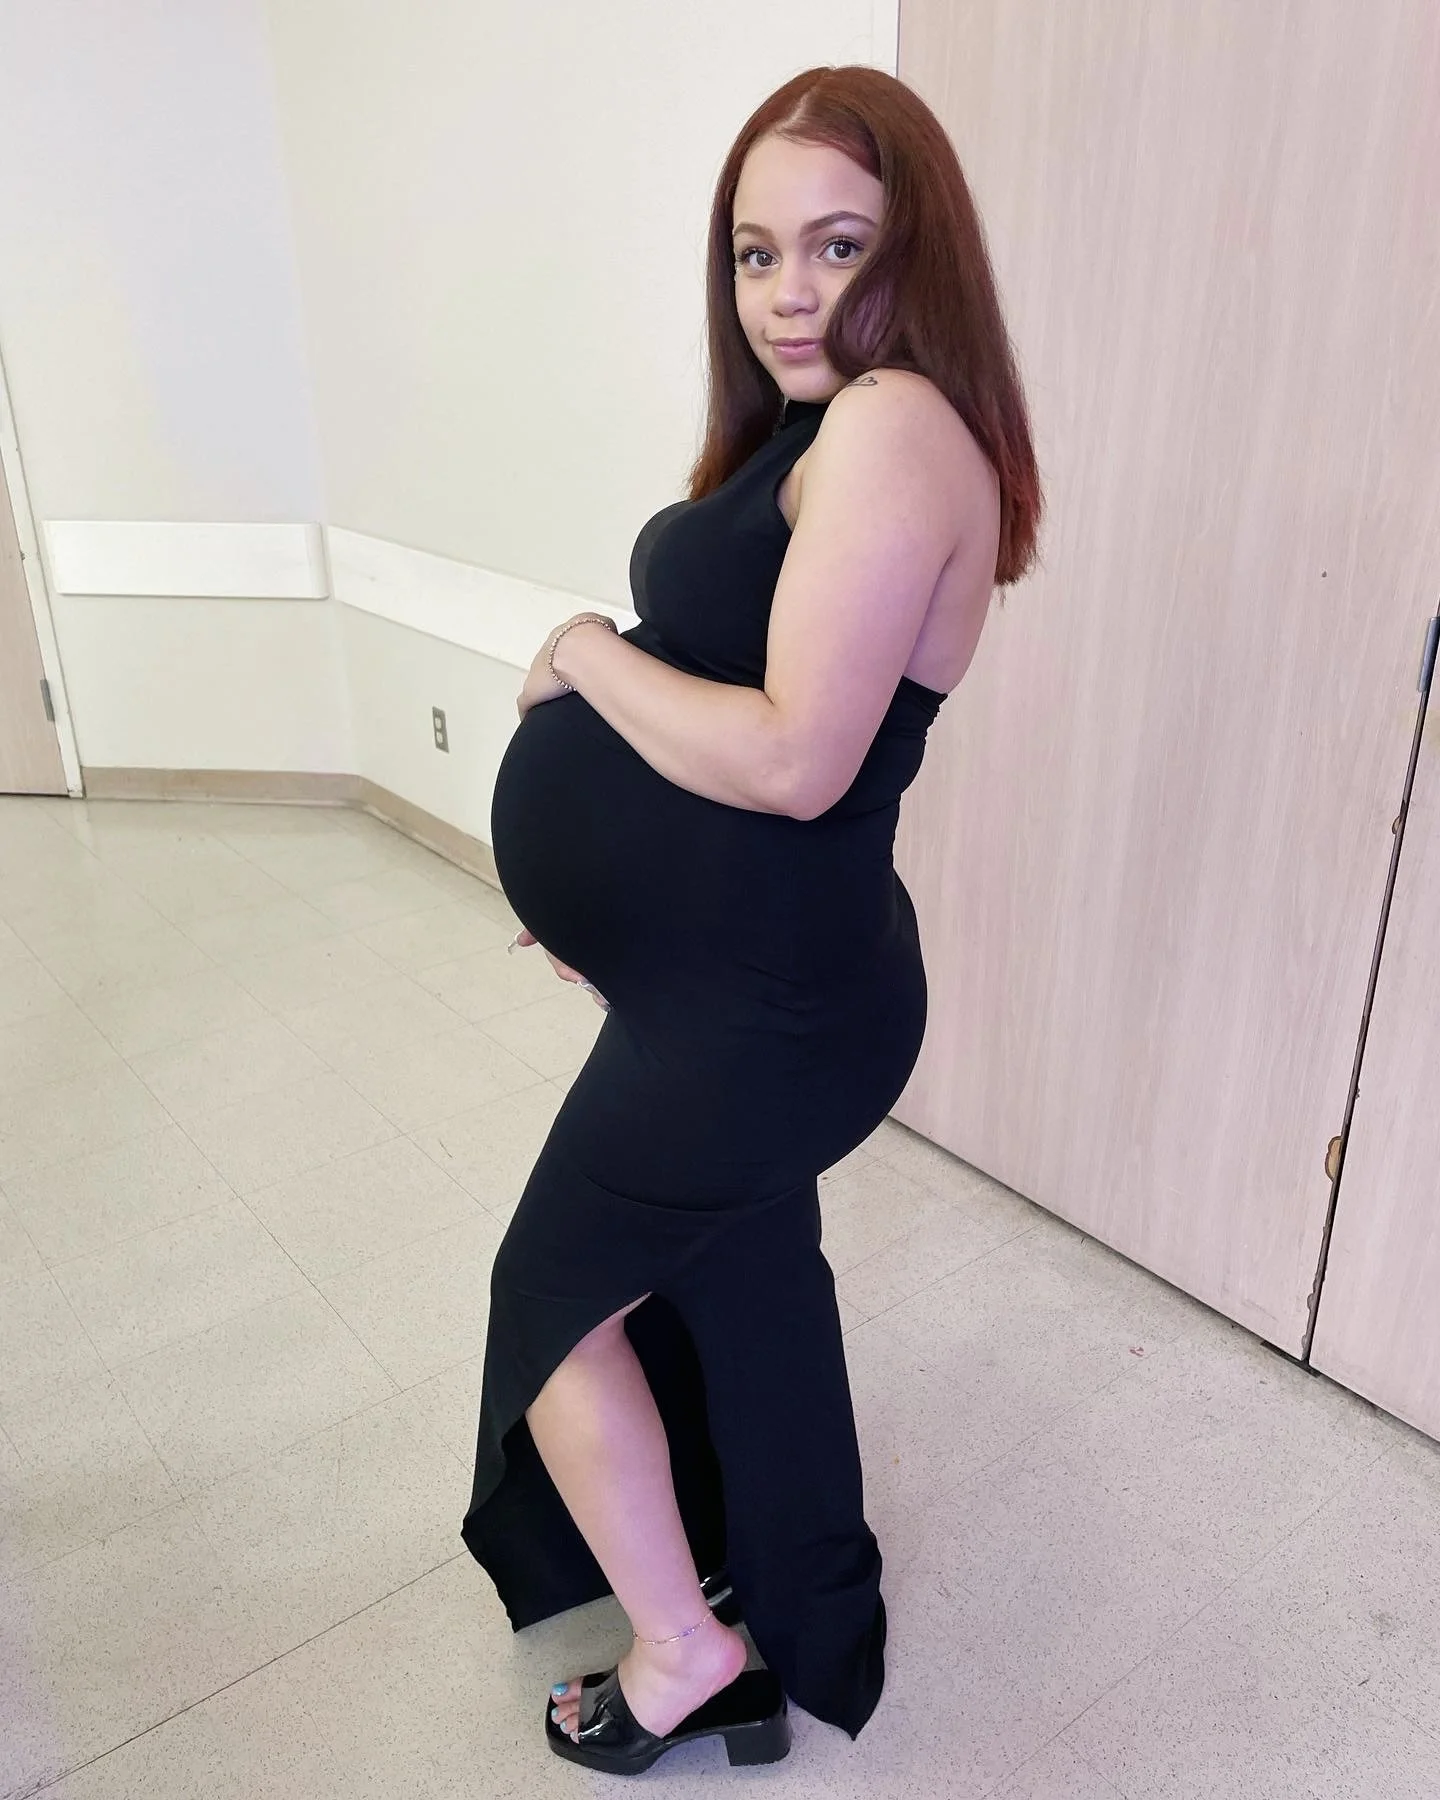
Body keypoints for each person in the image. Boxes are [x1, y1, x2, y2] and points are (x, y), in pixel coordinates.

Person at [460, 62, 1041, 1775]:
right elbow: (756, 712)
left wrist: (578, 649)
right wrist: (620, 904)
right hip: (741, 978)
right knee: (750, 1279)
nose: (790, 293)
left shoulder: (892, 427)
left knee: (551, 1305)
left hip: (768, 1010)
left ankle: (684, 1654)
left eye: (840, 246)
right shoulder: (830, 424)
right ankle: (801, 1608)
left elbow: (795, 758)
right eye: (755, 251)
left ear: (916, 253)